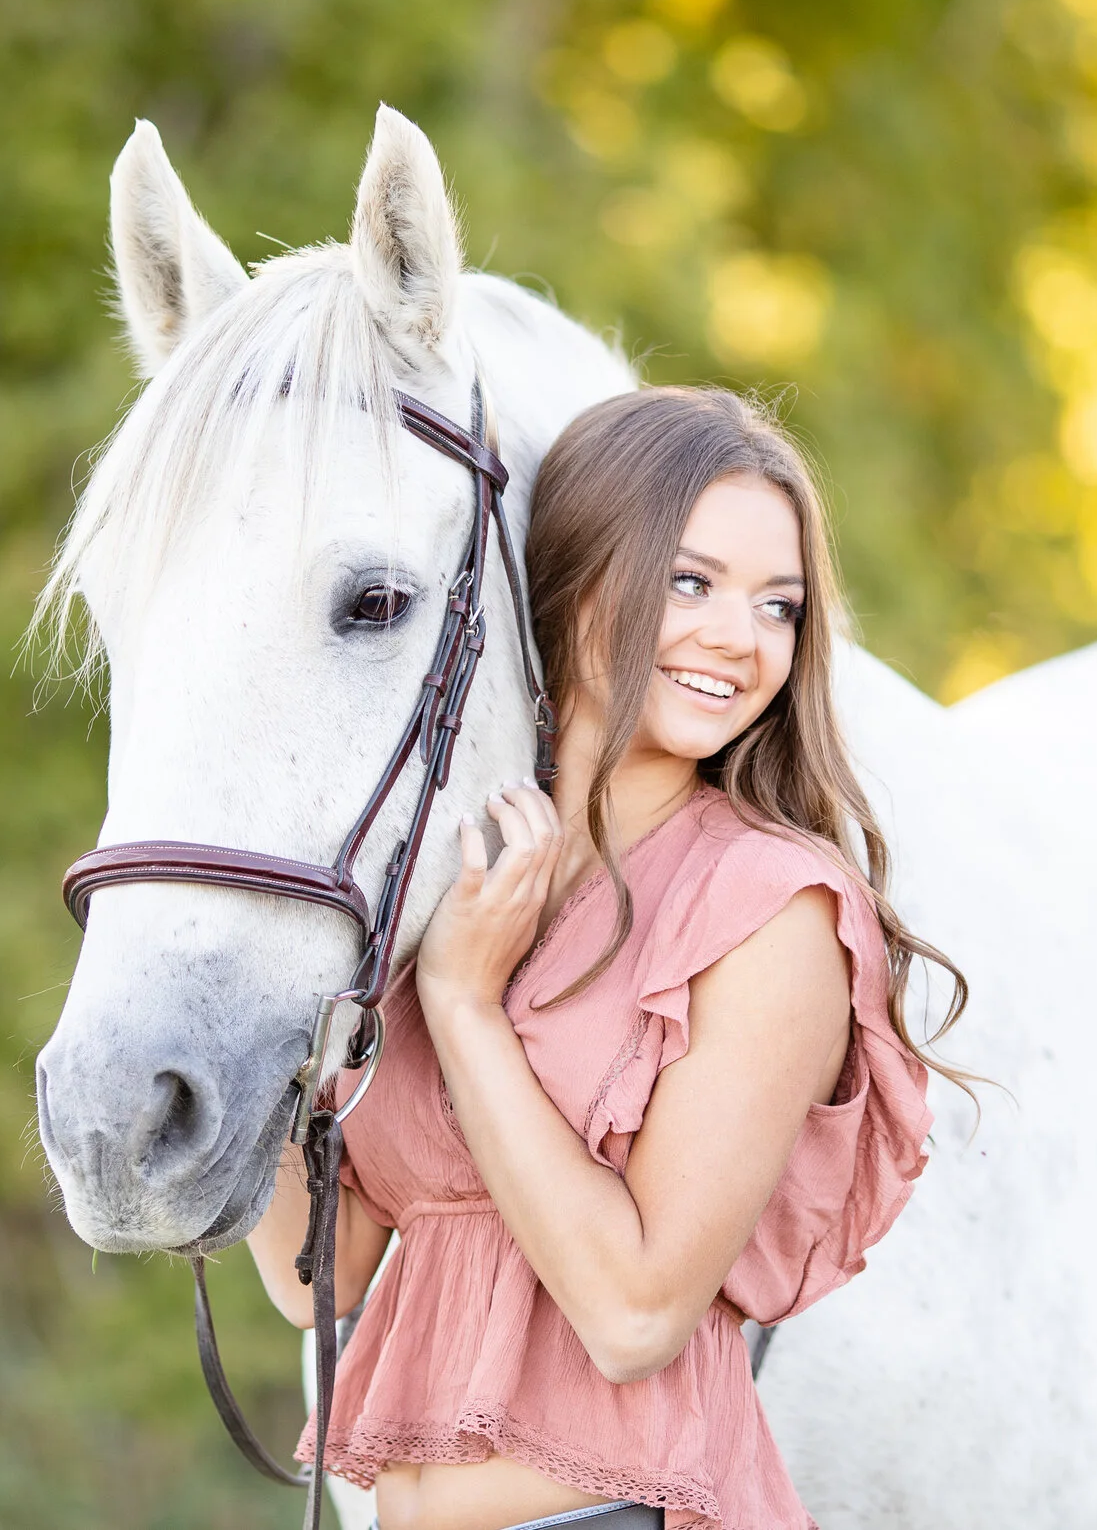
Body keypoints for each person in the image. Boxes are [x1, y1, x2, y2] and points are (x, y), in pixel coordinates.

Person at [244, 386, 967, 1530]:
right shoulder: (461, 887)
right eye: (692, 582)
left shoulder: (769, 911)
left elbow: (635, 1314)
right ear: (573, 575)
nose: (740, 635)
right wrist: (266, 1003)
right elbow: (310, 1277)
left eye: (776, 604)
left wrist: (467, 1010)